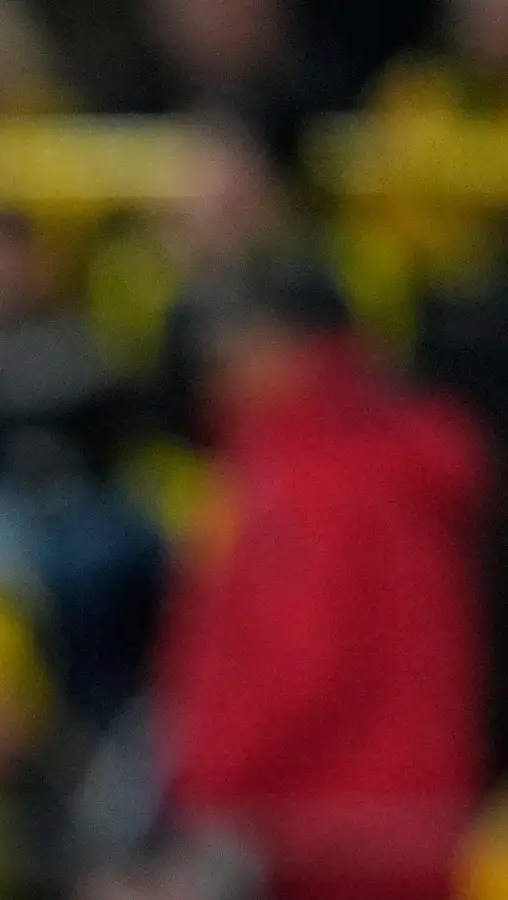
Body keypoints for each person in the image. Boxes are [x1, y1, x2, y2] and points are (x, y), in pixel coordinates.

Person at [154, 258, 487, 900]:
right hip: (411, 822)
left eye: (234, 341)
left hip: (311, 833)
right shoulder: (393, 452)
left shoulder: (302, 474)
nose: (216, 368)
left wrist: (210, 788)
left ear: (290, 345)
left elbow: (297, 657)